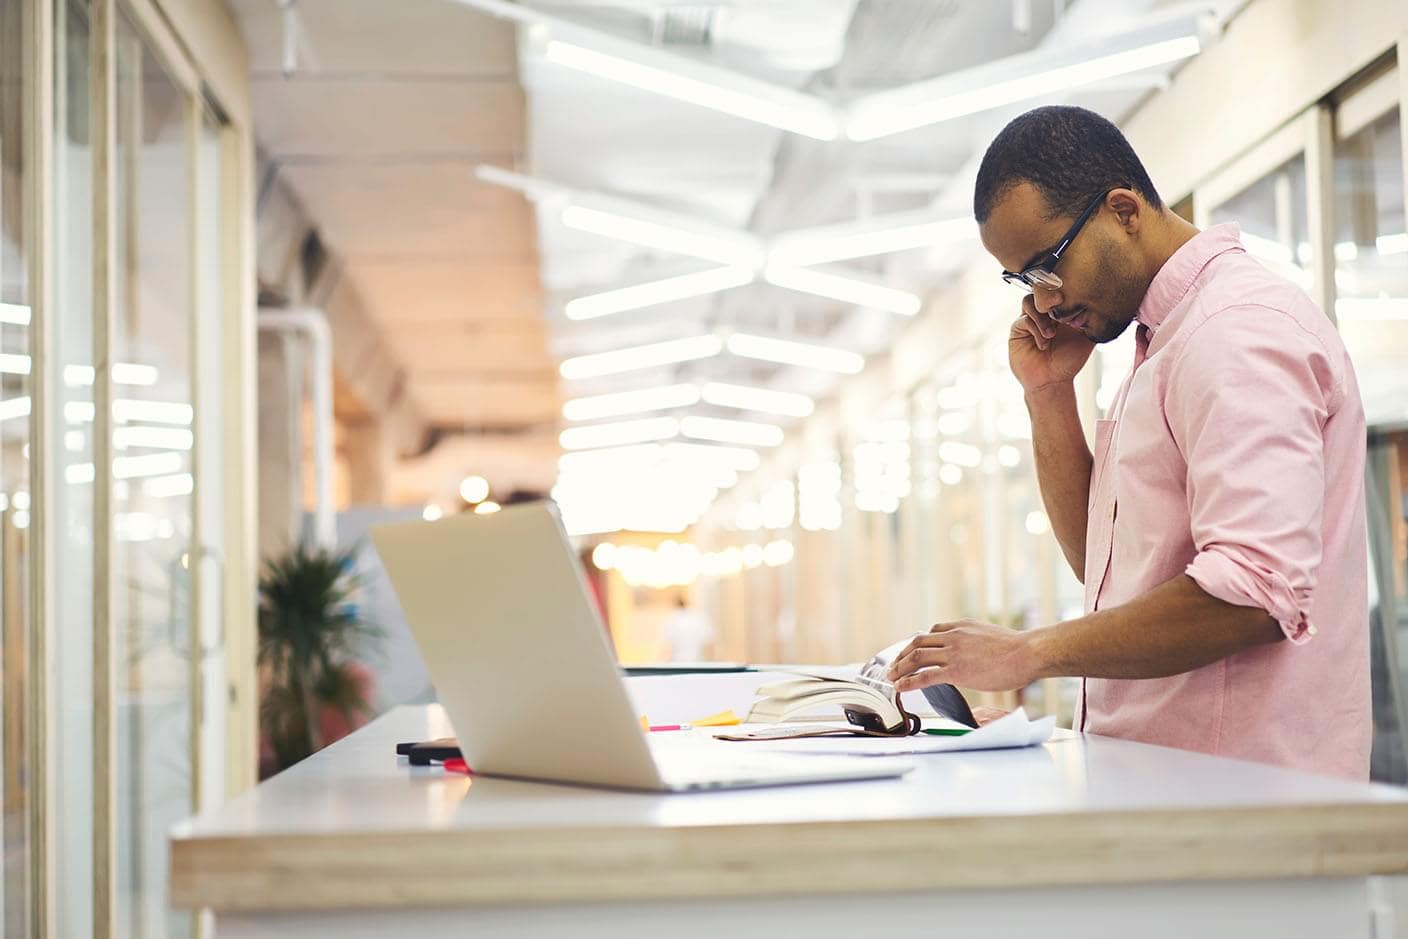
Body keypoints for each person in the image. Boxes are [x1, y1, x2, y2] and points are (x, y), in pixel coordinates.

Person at [887, 105, 1369, 779]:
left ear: (1123, 210)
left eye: (1048, 265)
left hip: (1245, 809)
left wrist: (1029, 652)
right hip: (1173, 789)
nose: (1045, 303)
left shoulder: (1236, 332)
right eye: (1024, 282)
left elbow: (1257, 591)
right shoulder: (1163, 341)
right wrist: (1048, 394)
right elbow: (1104, 565)